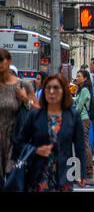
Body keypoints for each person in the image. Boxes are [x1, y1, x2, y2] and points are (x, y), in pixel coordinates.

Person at [19, 74, 87, 192]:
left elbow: (80, 147)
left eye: (56, 88)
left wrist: (81, 173)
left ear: (64, 91)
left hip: (64, 175)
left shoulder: (73, 116)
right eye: (48, 88)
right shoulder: (35, 115)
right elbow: (19, 142)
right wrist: (36, 150)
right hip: (38, 175)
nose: (51, 91)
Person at [0, 49, 37, 190]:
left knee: (12, 181)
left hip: (14, 140)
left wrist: (24, 98)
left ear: (8, 61)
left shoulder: (23, 85)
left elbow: (38, 110)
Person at [74, 70, 94, 179]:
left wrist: (72, 117)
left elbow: (79, 107)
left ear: (85, 78)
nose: (76, 78)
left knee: (85, 144)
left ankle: (88, 168)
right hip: (81, 119)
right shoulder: (80, 90)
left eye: (79, 76)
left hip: (83, 120)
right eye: (76, 76)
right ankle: (84, 167)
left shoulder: (85, 90)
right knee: (82, 143)